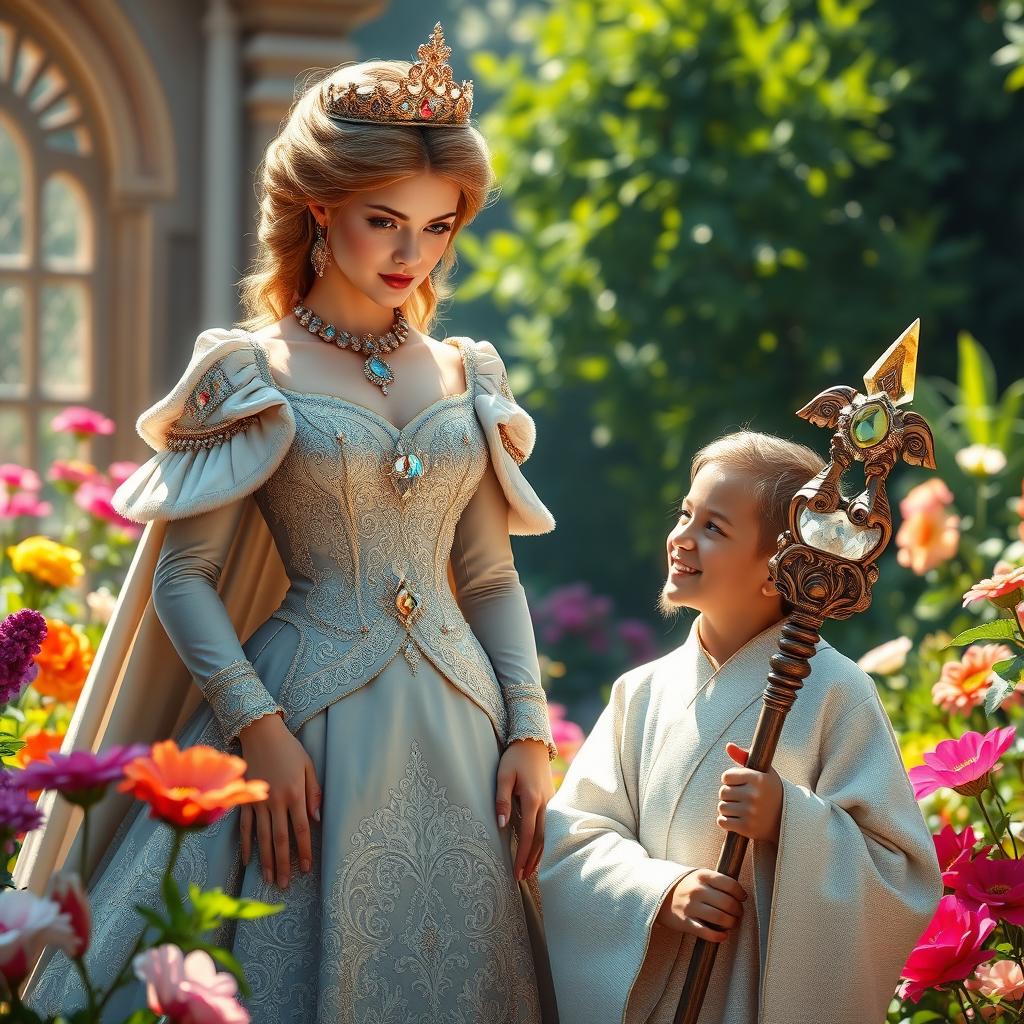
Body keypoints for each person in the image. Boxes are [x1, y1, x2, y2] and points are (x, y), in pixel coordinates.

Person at [21, 25, 558, 1023]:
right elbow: (185, 576)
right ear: (320, 208)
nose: (412, 254)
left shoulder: (466, 374)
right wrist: (257, 730)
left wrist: (528, 726)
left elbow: (485, 576)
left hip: (463, 732)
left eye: (439, 227)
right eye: (383, 221)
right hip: (301, 728)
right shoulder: (248, 370)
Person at [537, 431, 942, 1024]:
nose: (681, 539)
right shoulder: (640, 693)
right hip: (661, 991)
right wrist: (658, 893)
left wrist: (790, 820)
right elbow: (574, 838)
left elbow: (898, 875)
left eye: (714, 529)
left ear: (781, 568)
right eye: (685, 514)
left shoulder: (837, 691)